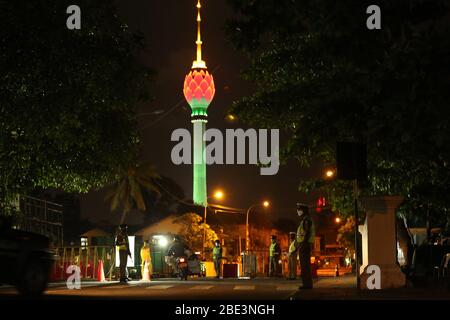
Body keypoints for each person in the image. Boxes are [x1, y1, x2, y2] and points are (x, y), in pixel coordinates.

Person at [296, 203, 315, 289]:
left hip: (304, 244)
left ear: (304, 211)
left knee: (305, 265)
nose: (298, 211)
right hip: (304, 244)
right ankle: (307, 284)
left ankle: (307, 285)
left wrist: (303, 243)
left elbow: (307, 233)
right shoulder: (305, 219)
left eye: (299, 210)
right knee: (304, 265)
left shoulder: (306, 220)